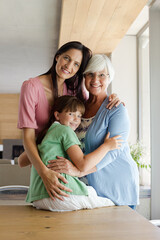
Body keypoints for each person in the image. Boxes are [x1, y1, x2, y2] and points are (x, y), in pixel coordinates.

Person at [18, 41, 121, 201]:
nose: (69, 66)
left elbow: (93, 104)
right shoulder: (31, 87)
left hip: (65, 159)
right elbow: (28, 137)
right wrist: (44, 173)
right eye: (66, 58)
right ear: (57, 57)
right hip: (44, 159)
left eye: (76, 64)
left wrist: (112, 98)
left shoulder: (74, 91)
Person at [47, 54, 140, 209]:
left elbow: (113, 151)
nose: (95, 80)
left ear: (110, 77)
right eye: (90, 74)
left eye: (102, 75)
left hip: (116, 186)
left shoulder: (117, 109)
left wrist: (78, 171)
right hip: (90, 189)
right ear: (84, 77)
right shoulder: (79, 107)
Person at [27, 95, 122, 211]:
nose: (76, 119)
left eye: (79, 116)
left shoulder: (46, 134)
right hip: (60, 194)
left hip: (38, 198)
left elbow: (22, 161)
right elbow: (83, 165)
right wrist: (107, 146)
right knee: (111, 203)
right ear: (57, 115)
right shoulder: (65, 130)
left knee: (90, 193)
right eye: (71, 114)